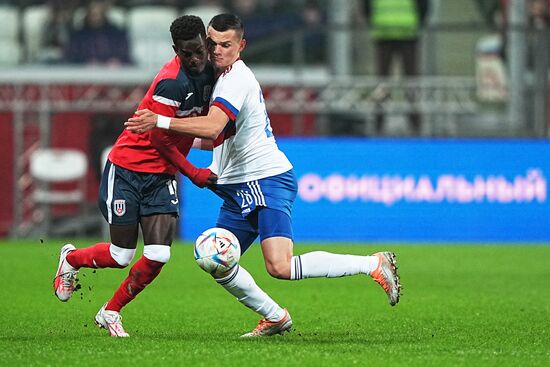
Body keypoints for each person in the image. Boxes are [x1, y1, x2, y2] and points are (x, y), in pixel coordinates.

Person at [125, 13, 401, 337]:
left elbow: (213, 126)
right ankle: (275, 316)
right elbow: (216, 135)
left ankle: (373, 264)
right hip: (236, 185)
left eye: (226, 45)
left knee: (279, 266)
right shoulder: (213, 79)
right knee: (217, 260)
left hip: (264, 179)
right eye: (212, 43)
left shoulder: (235, 79)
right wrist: (173, 143)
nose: (217, 51)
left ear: (240, 46)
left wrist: (160, 122)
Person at [53, 15, 217, 337]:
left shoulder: (213, 72)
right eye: (187, 54)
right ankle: (70, 258)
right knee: (121, 255)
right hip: (128, 169)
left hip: (161, 176)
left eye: (199, 51)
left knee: (159, 254)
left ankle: (110, 311)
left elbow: (192, 127)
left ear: (206, 45)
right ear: (175, 51)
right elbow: (159, 138)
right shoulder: (172, 82)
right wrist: (193, 172)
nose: (195, 59)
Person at [364, 0, 429, 135]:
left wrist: (373, 21)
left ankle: (378, 124)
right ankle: (415, 124)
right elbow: (424, 5)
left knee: (381, 82)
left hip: (383, 29)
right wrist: (418, 22)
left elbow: (366, 6)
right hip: (408, 29)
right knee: (411, 80)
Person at [63, 1, 131, 65]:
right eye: (93, 13)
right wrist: (85, 63)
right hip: (84, 75)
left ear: (104, 12)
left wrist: (117, 61)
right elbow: (70, 59)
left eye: (98, 13)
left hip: (114, 74)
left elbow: (126, 57)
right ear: (87, 12)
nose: (95, 16)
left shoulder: (117, 34)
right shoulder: (77, 36)